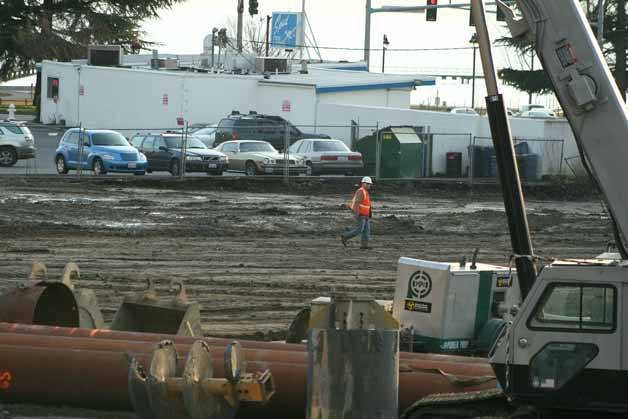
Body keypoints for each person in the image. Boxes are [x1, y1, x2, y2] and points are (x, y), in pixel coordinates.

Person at [341, 176, 373, 249]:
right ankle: (345, 236)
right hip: (361, 214)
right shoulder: (361, 191)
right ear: (363, 183)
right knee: (359, 230)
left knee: (366, 231)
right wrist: (357, 214)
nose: (369, 185)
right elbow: (356, 203)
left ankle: (364, 245)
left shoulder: (365, 192)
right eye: (367, 184)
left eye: (369, 184)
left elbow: (367, 204)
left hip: (366, 215)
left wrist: (369, 213)